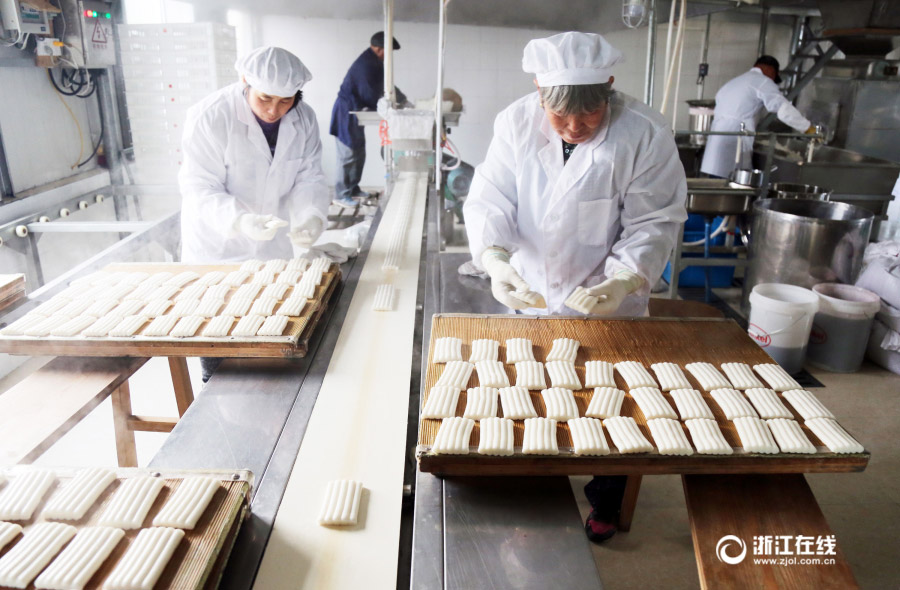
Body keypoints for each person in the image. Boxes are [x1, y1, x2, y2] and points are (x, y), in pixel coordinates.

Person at [463, 32, 687, 542]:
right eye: (559, 116)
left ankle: (606, 500)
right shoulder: (516, 123)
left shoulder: (644, 133)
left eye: (588, 115)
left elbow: (654, 221)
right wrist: (497, 262)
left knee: (616, 411)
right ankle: (529, 492)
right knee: (528, 402)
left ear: (609, 88)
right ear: (540, 96)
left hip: (611, 302)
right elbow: (490, 199)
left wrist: (625, 279)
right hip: (533, 293)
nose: (573, 127)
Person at [179, 46, 330, 381]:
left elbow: (310, 176)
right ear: (245, 81)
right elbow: (199, 188)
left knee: (269, 346)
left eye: (285, 101)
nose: (274, 110)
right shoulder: (211, 116)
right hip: (218, 253)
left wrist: (311, 215)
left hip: (271, 254)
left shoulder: (304, 119)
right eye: (265, 99)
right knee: (221, 348)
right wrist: (239, 220)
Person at [700, 55, 815, 179]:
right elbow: (782, 108)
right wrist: (807, 127)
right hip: (735, 142)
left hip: (716, 143)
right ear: (772, 71)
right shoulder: (762, 81)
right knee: (732, 187)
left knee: (716, 187)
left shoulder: (735, 82)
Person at [329, 31, 408, 209]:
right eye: (388, 52)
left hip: (356, 113)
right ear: (379, 49)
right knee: (347, 155)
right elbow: (370, 93)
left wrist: (402, 99)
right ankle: (341, 194)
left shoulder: (376, 63)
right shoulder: (366, 65)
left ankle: (353, 188)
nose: (389, 56)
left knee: (358, 152)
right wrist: (387, 106)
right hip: (347, 112)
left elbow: (387, 86)